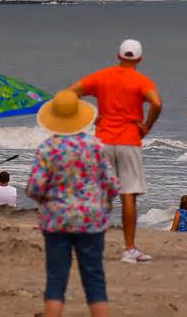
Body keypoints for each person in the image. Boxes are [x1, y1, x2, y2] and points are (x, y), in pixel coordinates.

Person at [27, 90, 119, 317]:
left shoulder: (47, 149)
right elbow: (112, 184)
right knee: (95, 279)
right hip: (91, 220)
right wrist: (103, 201)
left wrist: (47, 201)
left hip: (56, 219)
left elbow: (34, 188)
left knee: (56, 279)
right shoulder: (96, 146)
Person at [69, 38, 162, 263]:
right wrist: (147, 126)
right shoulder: (142, 81)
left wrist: (93, 115)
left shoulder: (102, 76)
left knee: (102, 195)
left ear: (119, 56)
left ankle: (94, 247)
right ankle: (129, 249)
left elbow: (72, 92)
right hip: (129, 140)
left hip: (103, 139)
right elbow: (156, 104)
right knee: (128, 195)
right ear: (139, 58)